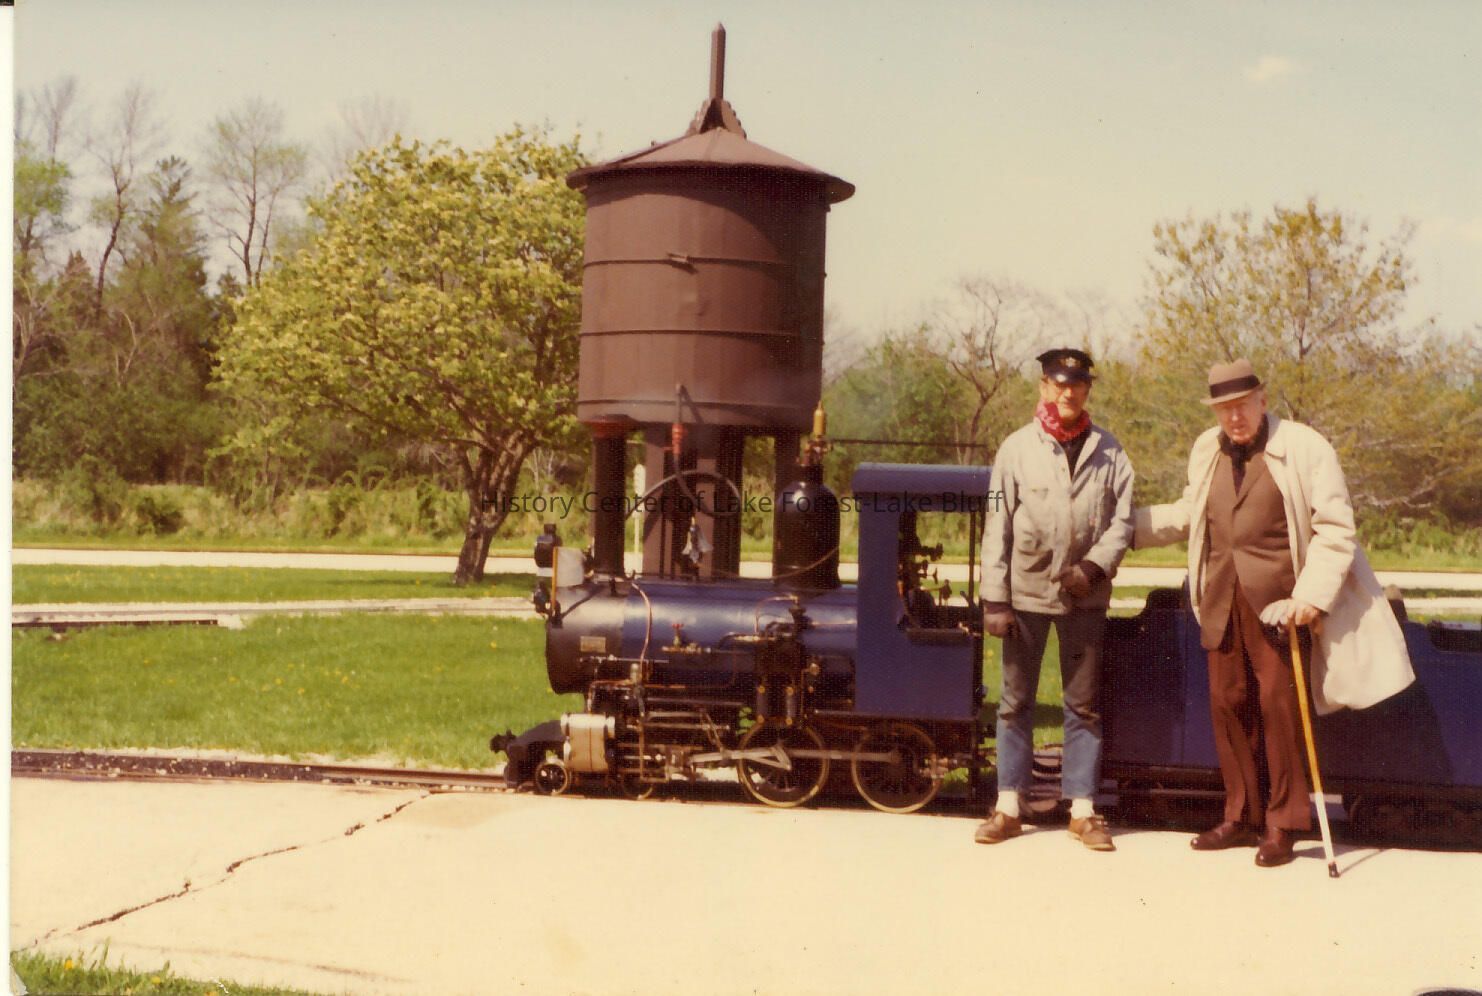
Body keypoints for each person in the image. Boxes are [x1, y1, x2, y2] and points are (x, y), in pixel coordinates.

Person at [1136, 358, 1414, 866]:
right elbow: (1190, 510)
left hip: (1282, 607)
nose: (1234, 417)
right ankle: (1241, 816)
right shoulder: (1207, 449)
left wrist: (1309, 597)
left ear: (1263, 401)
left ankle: (1283, 824)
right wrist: (1122, 527)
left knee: (1278, 709)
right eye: (1224, 409)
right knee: (1227, 704)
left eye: (1242, 405)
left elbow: (1335, 529)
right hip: (1220, 600)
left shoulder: (1305, 447)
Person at [976, 348, 1135, 851]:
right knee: (1014, 702)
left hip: (1085, 599)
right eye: (1059, 384)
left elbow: (1123, 521)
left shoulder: (1111, 452)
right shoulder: (1015, 450)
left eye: (1077, 384)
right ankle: (1007, 807)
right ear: (1044, 386)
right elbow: (996, 523)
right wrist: (994, 599)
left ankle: (1083, 812)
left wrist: (1093, 567)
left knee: (1082, 706)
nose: (1068, 392)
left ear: (1087, 390)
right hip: (1024, 595)